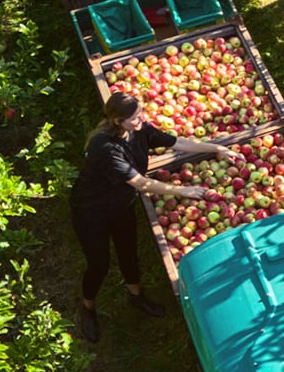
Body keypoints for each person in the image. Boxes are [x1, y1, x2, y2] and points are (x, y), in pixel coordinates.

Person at [69, 91, 240, 342]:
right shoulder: (105, 148)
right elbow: (141, 183)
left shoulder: (140, 131)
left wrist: (215, 148)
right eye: (135, 118)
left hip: (120, 205)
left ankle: (136, 296)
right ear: (118, 121)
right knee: (99, 264)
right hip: (91, 211)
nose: (141, 120)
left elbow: (177, 142)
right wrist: (183, 191)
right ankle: (87, 308)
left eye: (141, 114)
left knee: (129, 251)